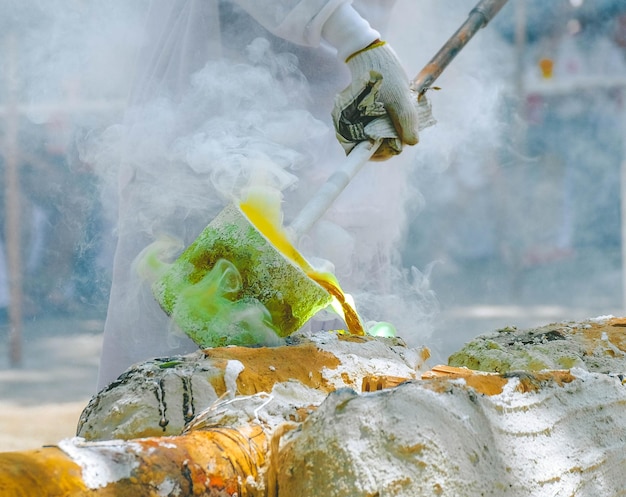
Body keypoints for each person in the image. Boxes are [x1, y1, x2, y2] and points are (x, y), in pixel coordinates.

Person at [97, 0, 421, 389]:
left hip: (326, 132)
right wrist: (356, 40)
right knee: (186, 393)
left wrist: (392, 72)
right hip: (219, 121)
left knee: (328, 391)